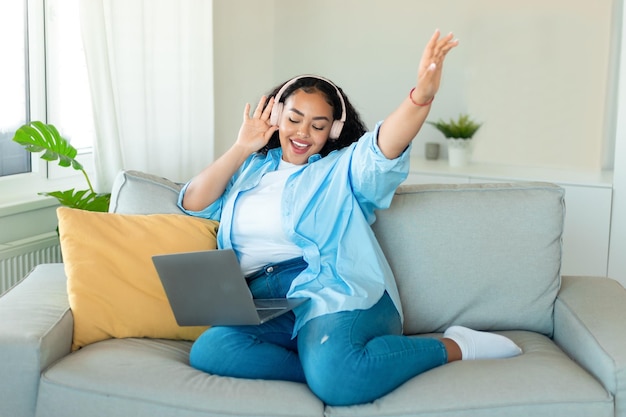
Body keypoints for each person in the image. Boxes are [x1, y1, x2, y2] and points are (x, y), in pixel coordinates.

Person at [178, 30, 522, 406]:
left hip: (331, 290)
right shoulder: (250, 170)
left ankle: (454, 345)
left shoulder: (340, 169)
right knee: (211, 350)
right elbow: (195, 203)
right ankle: (327, 363)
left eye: (318, 125)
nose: (303, 133)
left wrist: (421, 96)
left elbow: (381, 148)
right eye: (293, 118)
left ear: (334, 131)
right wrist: (242, 147)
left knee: (341, 384)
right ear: (276, 116)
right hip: (264, 301)